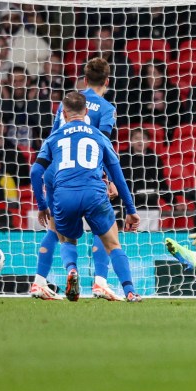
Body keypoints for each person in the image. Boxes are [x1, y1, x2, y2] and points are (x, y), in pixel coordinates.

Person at [31, 92, 141, 303]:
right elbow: (117, 175)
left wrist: (42, 205)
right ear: (87, 112)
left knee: (66, 239)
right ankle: (129, 291)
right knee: (112, 243)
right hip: (94, 193)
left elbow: (36, 173)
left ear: (63, 113)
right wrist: (131, 209)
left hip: (64, 195)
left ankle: (72, 270)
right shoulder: (99, 135)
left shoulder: (54, 137)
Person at [27, 58, 121, 301]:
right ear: (108, 81)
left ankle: (39, 281)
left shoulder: (70, 100)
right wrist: (108, 178)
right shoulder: (107, 108)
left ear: (85, 80)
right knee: (104, 226)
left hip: (53, 166)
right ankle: (100, 281)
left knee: (56, 227)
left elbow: (58, 134)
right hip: (84, 171)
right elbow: (102, 146)